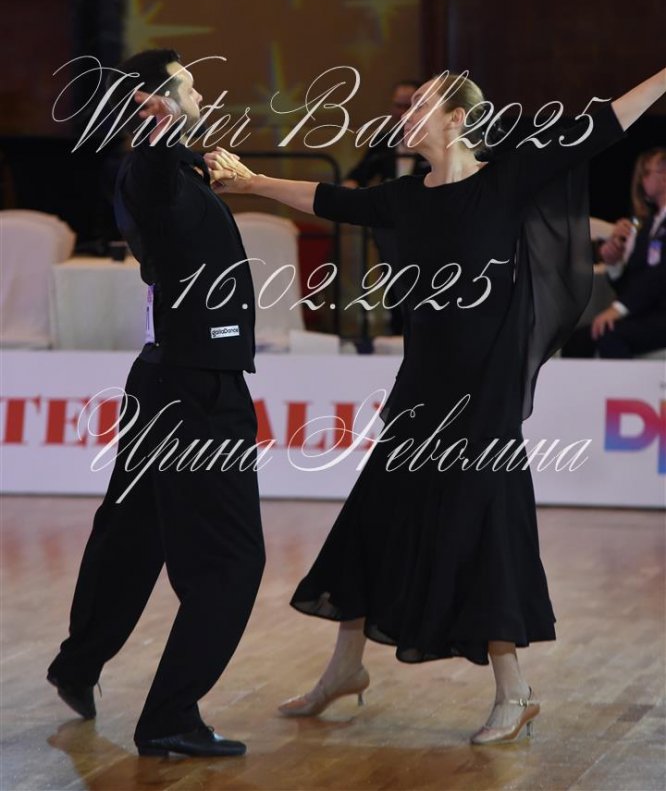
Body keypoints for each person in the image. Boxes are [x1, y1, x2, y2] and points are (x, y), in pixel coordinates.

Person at [206, 65, 666, 745]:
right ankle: (346, 667)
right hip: (422, 388)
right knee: (377, 513)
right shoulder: (405, 198)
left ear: (457, 119)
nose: (406, 112)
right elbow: (328, 198)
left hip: (486, 393)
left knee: (485, 526)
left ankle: (515, 689)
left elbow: (599, 125)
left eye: (422, 103)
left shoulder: (505, 180)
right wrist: (251, 182)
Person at [47, 49, 265, 759]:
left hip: (168, 381)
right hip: (195, 390)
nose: (201, 93)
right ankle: (170, 715)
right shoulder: (147, 167)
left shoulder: (169, 168)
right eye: (187, 85)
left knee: (134, 533)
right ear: (152, 102)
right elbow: (154, 173)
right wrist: (168, 133)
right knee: (232, 561)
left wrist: (199, 156)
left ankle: (78, 662)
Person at [562, 147, 666, 357]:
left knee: (611, 337)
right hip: (645, 315)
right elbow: (631, 285)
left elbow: (659, 275)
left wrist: (618, 309)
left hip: (660, 316)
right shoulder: (647, 227)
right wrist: (614, 263)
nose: (642, 180)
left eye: (647, 172)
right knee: (576, 341)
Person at [343, 79, 428, 335]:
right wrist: (348, 193)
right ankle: (397, 331)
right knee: (393, 283)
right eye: (398, 106)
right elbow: (359, 174)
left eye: (410, 106)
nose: (404, 113)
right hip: (392, 225)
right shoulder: (384, 142)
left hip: (428, 225)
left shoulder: (434, 143)